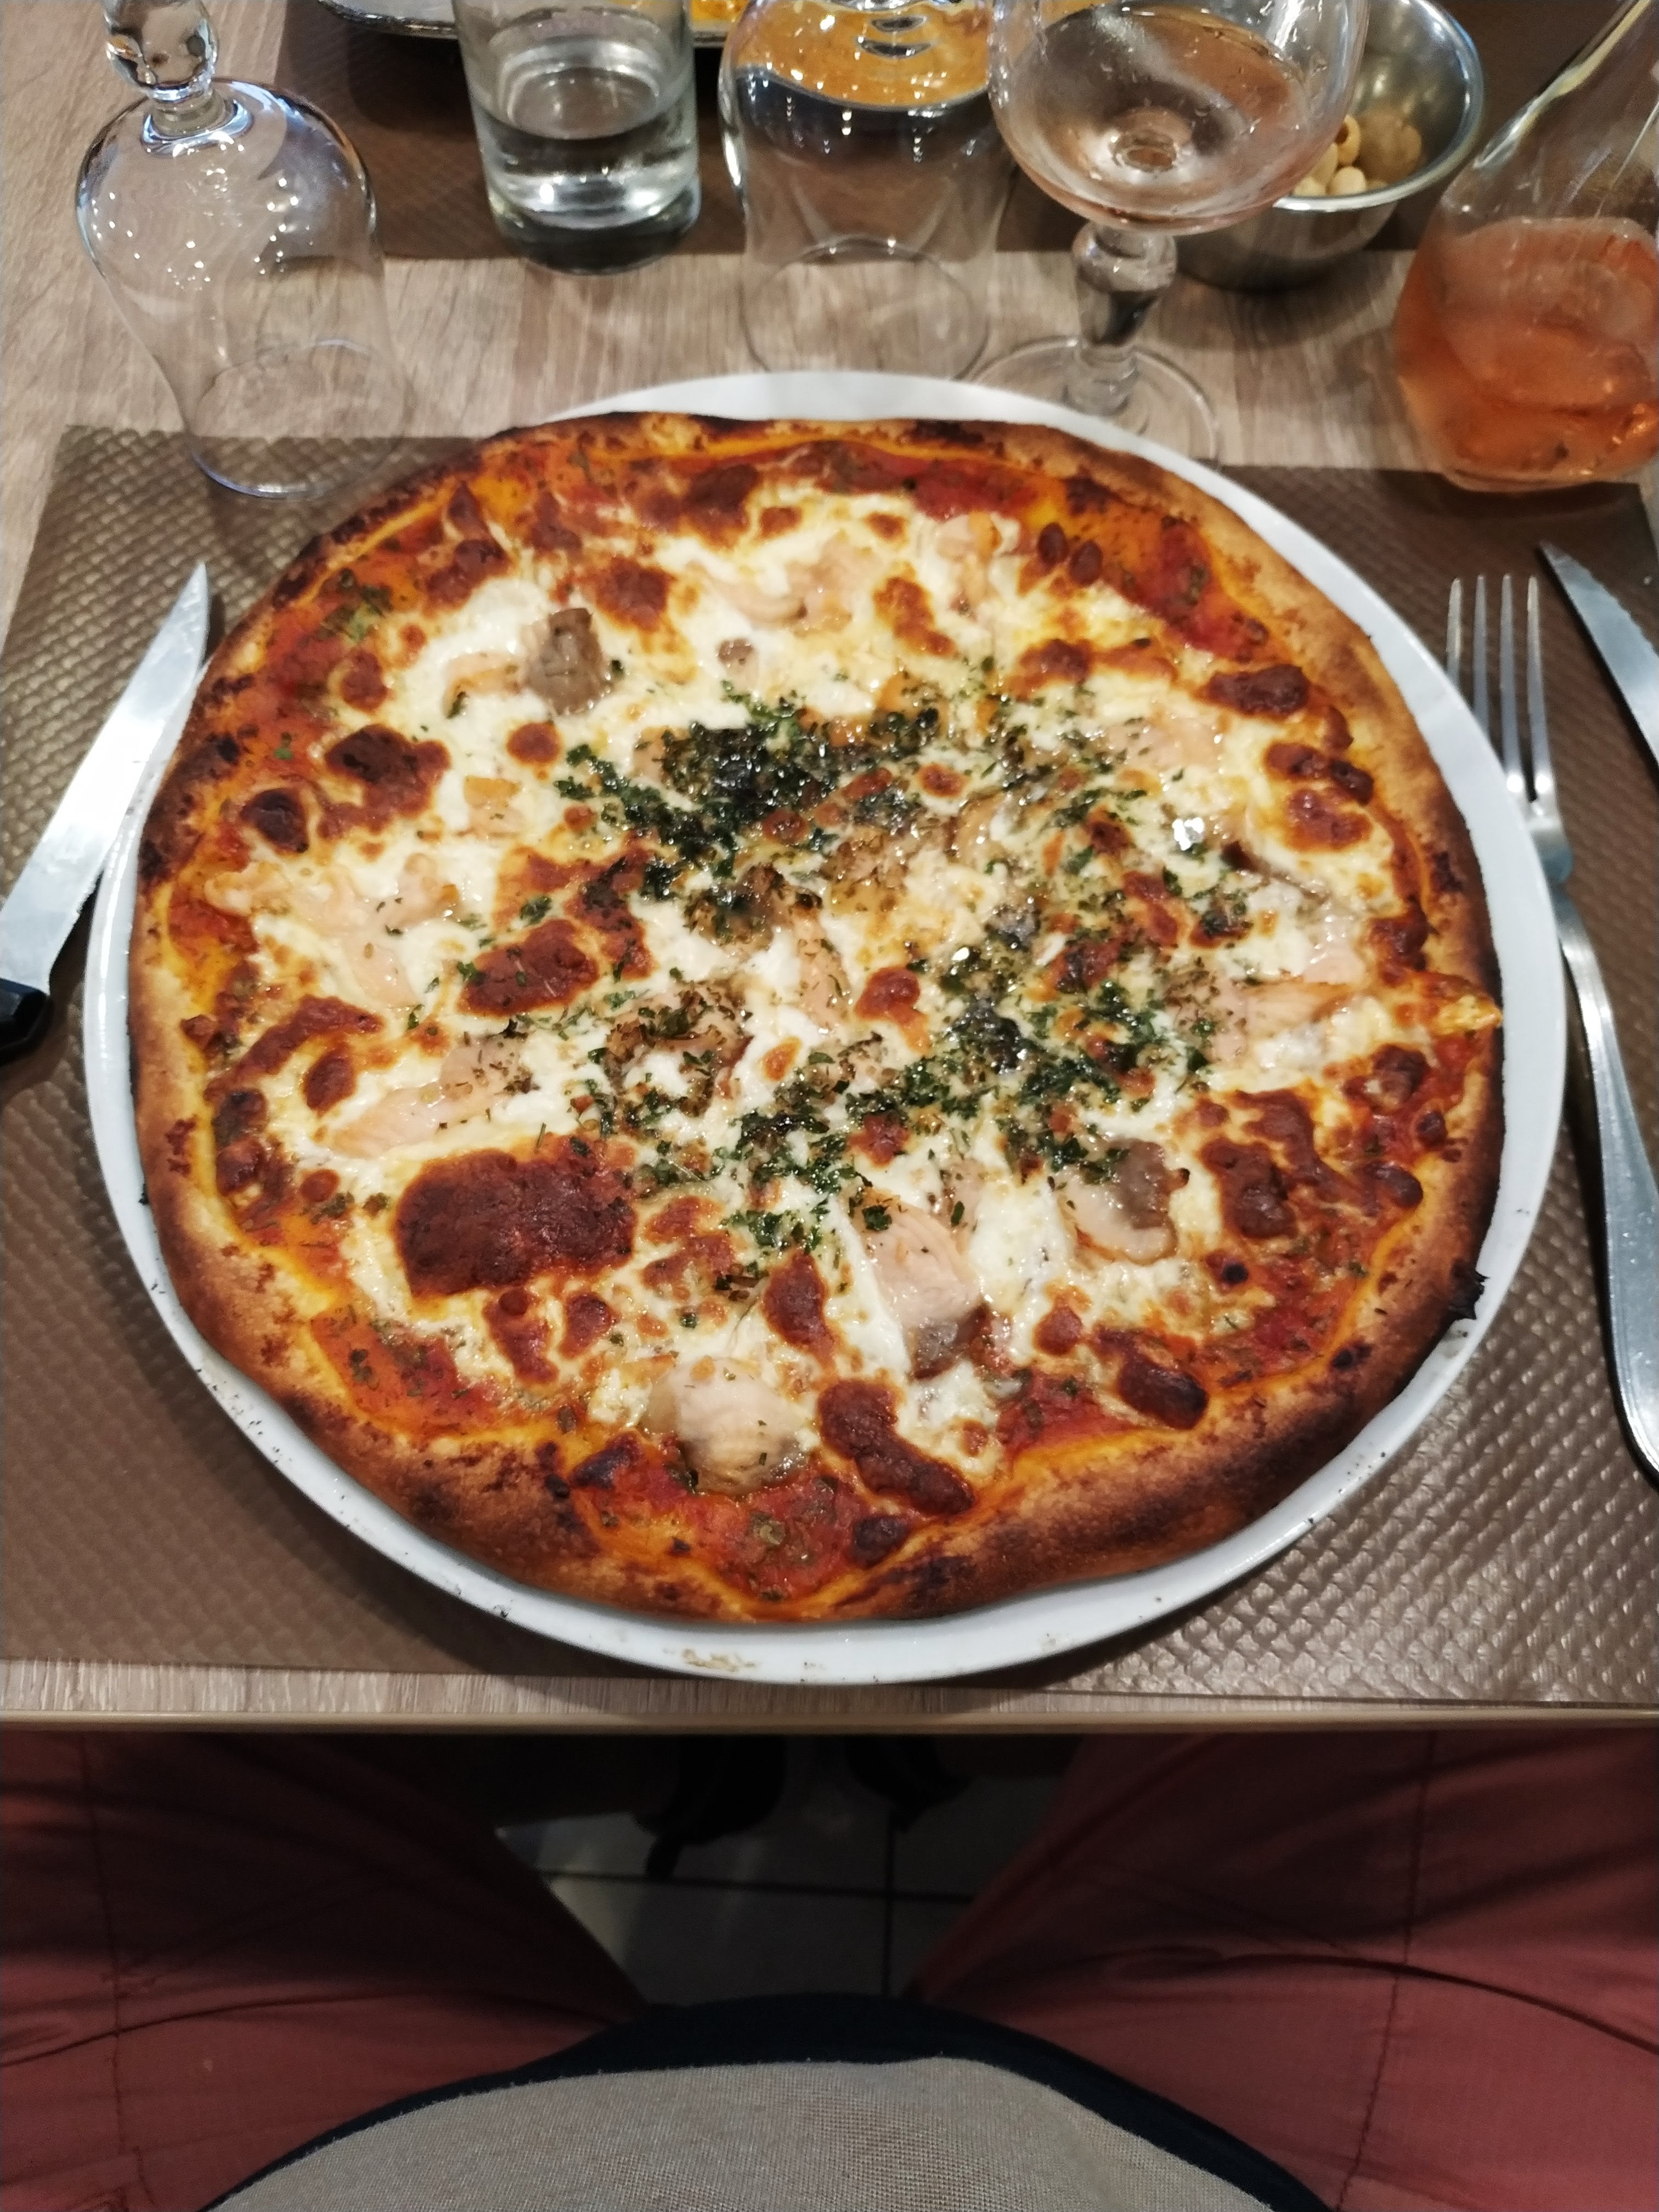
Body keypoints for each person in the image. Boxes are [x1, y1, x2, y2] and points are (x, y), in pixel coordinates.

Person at [2, 1727, 1654, 2211]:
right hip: (1267, 2153)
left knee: (76, 1723)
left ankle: (691, 1775)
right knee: (1533, 1701)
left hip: (266, 2160)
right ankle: (887, 1760)